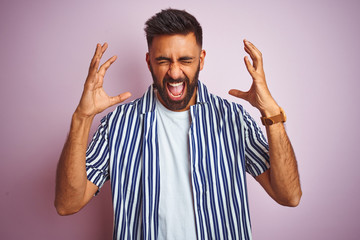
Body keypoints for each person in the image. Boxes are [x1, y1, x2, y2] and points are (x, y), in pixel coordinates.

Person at [55, 8, 301, 240]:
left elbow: (289, 196)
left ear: (201, 60)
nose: (174, 72)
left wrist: (272, 113)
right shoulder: (118, 125)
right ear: (149, 61)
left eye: (185, 60)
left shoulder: (234, 119)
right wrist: (81, 118)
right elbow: (67, 204)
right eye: (163, 61)